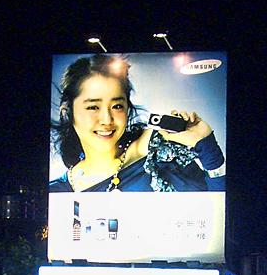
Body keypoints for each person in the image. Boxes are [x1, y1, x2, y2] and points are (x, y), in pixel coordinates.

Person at [50, 53, 226, 193]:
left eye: (117, 106)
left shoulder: (160, 157)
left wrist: (208, 149)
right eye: (93, 107)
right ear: (67, 113)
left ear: (128, 108)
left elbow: (215, 212)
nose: (107, 119)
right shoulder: (58, 189)